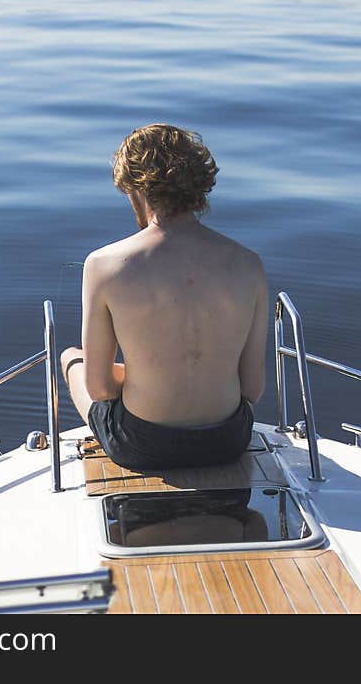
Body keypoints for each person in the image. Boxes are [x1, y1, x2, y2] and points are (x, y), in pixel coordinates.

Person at [60, 124, 269, 470]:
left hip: (142, 444)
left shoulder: (104, 264)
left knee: (71, 359)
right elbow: (252, 388)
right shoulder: (249, 264)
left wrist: (151, 376)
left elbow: (99, 389)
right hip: (228, 440)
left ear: (137, 190)